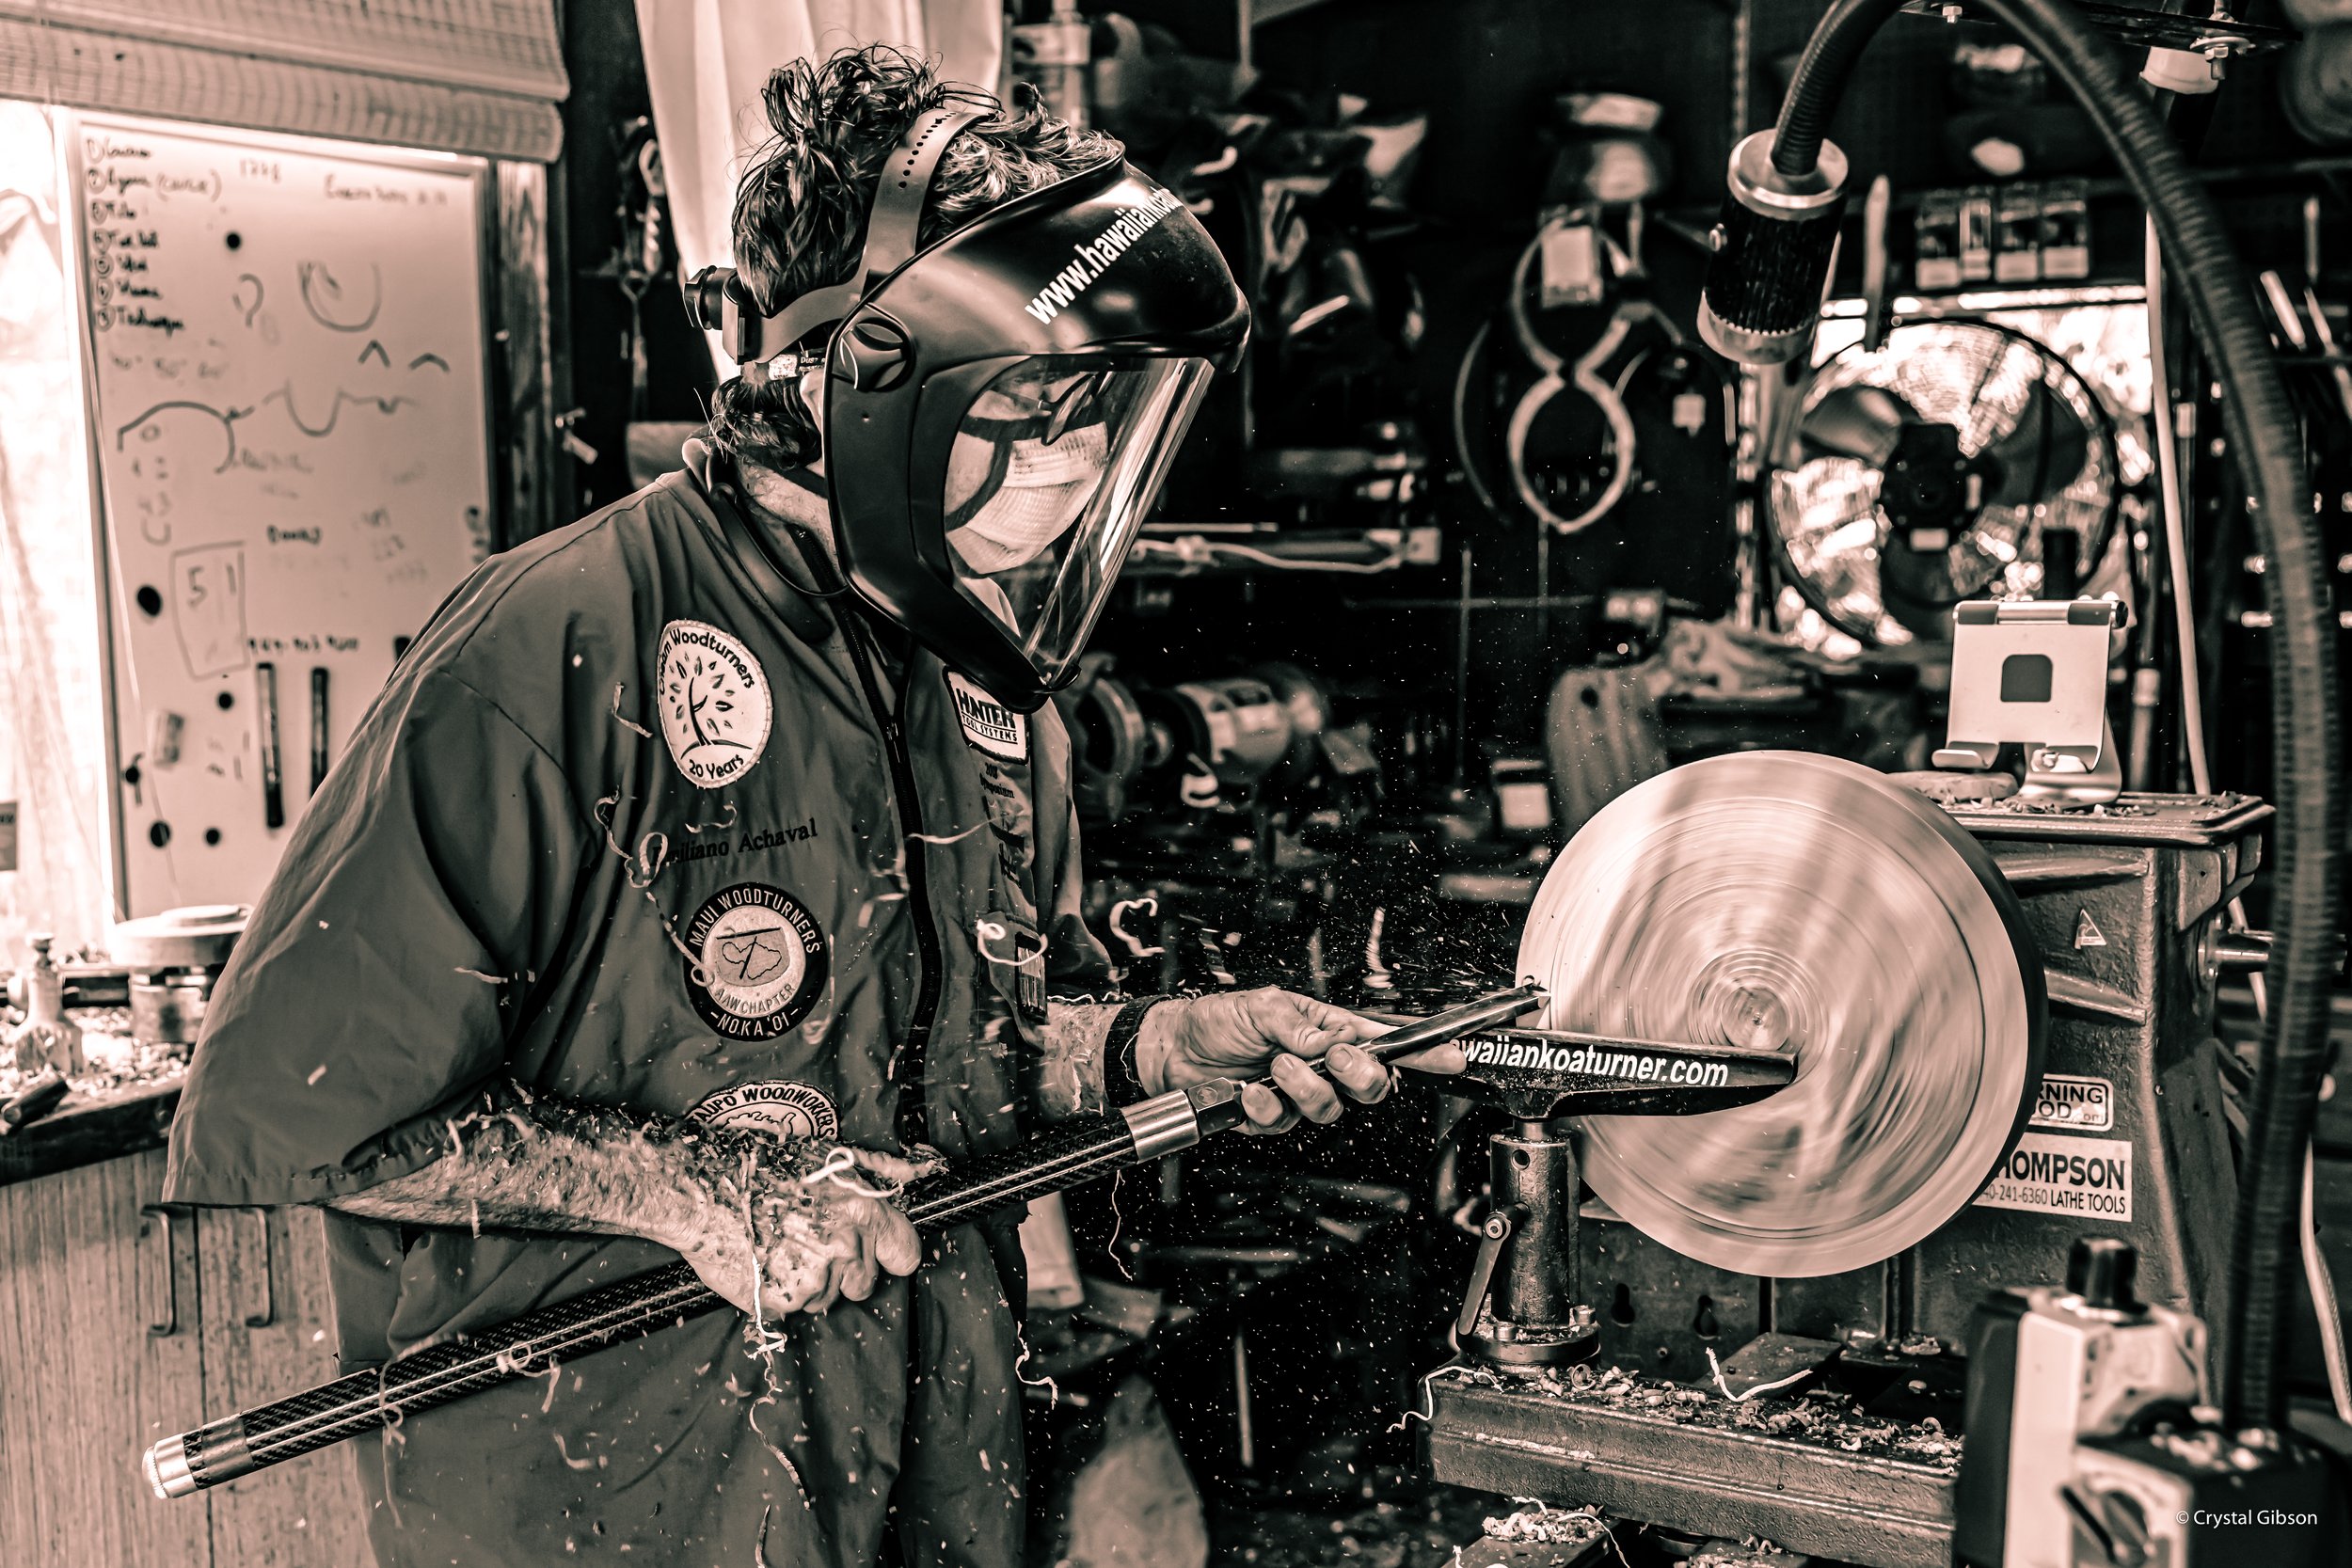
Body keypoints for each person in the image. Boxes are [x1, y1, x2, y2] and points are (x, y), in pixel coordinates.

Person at [163, 46, 1461, 1568]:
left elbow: (955, 1042)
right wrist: (698, 1187)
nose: (1082, 458)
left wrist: (1152, 1042)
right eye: (1038, 406)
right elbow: (312, 1118)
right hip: (620, 1497)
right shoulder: (556, 647)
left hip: (919, 1461)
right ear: (863, 381)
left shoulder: (975, 666)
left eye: (1101, 413)